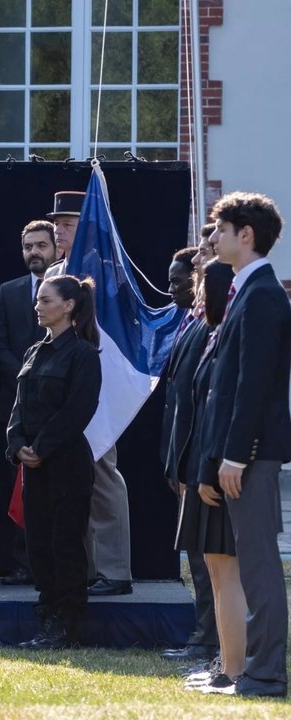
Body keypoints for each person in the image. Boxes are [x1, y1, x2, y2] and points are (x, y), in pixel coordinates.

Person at [195, 192, 290, 698]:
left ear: (244, 235)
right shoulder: (247, 292)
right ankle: (259, 669)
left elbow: (253, 384)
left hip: (250, 455)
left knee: (258, 565)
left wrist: (236, 454)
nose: (212, 239)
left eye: (219, 229)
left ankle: (266, 673)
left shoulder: (263, 295)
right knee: (253, 564)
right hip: (239, 454)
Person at [44, 190, 132, 597]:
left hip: (94, 383)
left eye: (68, 223)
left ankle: (114, 569)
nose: (59, 230)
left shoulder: (105, 273)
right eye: (57, 223)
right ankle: (86, 569)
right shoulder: (57, 272)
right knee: (70, 480)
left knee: (102, 473)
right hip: (60, 385)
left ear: (87, 226)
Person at [7, 274, 102, 650]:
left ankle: (69, 626)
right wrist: (17, 445)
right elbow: (19, 406)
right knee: (39, 546)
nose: (38, 306)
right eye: (37, 300)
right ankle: (47, 619)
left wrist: (41, 447)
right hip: (33, 466)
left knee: (65, 544)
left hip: (65, 464)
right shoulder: (34, 351)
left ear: (68, 306)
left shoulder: (83, 354)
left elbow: (78, 410)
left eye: (46, 301)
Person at [177, 260, 242, 694]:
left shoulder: (223, 341)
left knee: (226, 572)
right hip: (203, 464)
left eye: (200, 289)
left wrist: (205, 471)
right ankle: (225, 660)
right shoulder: (209, 336)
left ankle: (234, 665)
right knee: (215, 573)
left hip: (217, 469)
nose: (194, 296)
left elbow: (217, 413)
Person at [157, 246, 219, 666]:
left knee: (205, 559)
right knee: (195, 559)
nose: (173, 286)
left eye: (181, 279)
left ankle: (208, 641)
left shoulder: (209, 325)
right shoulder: (188, 321)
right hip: (181, 456)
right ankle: (204, 636)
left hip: (199, 458)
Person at [0, 219, 55, 586]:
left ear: (55, 248)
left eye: (41, 245)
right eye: (29, 246)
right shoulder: (8, 291)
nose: (34, 252)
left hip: (58, 408)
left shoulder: (69, 289)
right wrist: (27, 378)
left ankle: (51, 565)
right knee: (18, 489)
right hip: (15, 406)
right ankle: (22, 563)